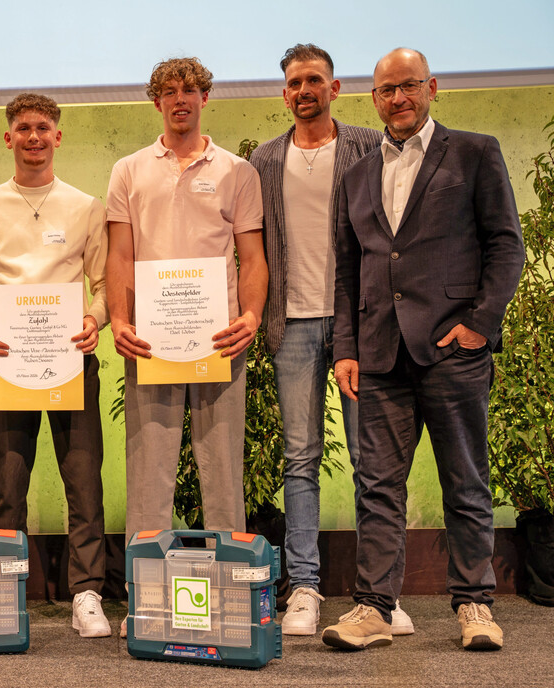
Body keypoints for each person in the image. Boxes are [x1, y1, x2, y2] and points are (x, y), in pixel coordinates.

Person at [322, 48, 524, 651]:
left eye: (409, 86)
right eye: (386, 90)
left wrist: (480, 326)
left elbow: (505, 246)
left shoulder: (474, 152)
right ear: (374, 99)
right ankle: (374, 608)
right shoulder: (355, 175)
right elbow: (348, 270)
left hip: (453, 351)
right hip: (380, 355)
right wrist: (346, 348)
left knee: (465, 481)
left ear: (431, 87)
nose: (398, 98)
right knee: (377, 487)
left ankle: (476, 606)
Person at [249, 44, 411, 637]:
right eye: (294, 82)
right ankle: (306, 589)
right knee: (300, 460)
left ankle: (381, 595)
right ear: (284, 92)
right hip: (290, 326)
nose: (303, 90)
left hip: (361, 329)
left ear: (336, 87)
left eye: (314, 79)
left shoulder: (372, 146)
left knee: (374, 462)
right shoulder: (264, 160)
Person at [105, 58, 268, 636]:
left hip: (220, 338)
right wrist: (119, 319)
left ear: (205, 98)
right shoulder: (128, 171)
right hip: (150, 342)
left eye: (190, 90)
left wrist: (250, 314)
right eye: (169, 91)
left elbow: (252, 257)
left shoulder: (237, 171)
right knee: (150, 477)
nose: (180, 99)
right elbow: (119, 257)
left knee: (222, 472)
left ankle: (229, 602)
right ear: (156, 102)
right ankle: (147, 603)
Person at [0, 93, 111, 638]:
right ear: (8, 138)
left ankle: (87, 594)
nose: (34, 137)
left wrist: (96, 319)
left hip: (72, 359)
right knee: (9, 484)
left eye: (44, 127)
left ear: (58, 136)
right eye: (24, 128)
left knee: (84, 481)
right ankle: (5, 593)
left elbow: (104, 284)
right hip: (7, 359)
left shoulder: (86, 205)